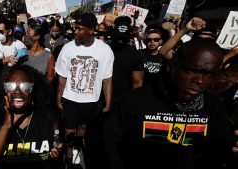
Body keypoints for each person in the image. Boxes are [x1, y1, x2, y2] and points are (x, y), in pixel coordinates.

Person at [103, 38, 238, 169]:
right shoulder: (134, 101)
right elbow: (109, 142)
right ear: (171, 66)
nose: (199, 80)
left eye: (208, 74)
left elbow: (220, 149)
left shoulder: (213, 107)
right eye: (191, 71)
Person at [55, 13, 114, 169]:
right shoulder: (67, 48)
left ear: (92, 30)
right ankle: (68, 160)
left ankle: (76, 154)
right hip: (70, 99)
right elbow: (62, 78)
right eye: (75, 28)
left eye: (79, 29)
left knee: (82, 130)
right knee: (69, 132)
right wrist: (58, 99)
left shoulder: (105, 50)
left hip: (92, 101)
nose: (75, 32)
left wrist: (108, 102)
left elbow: (107, 78)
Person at [0, 64, 62, 169]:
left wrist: (56, 152)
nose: (18, 92)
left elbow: (56, 146)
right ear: (4, 89)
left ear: (33, 89)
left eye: (25, 87)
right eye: (11, 86)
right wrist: (6, 126)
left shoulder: (49, 116)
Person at [108, 16, 144, 105]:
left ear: (129, 36)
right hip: (101, 97)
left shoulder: (136, 54)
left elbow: (137, 82)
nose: (120, 40)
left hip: (124, 99)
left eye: (123, 38)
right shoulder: (104, 50)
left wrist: (135, 103)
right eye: (118, 37)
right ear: (113, 34)